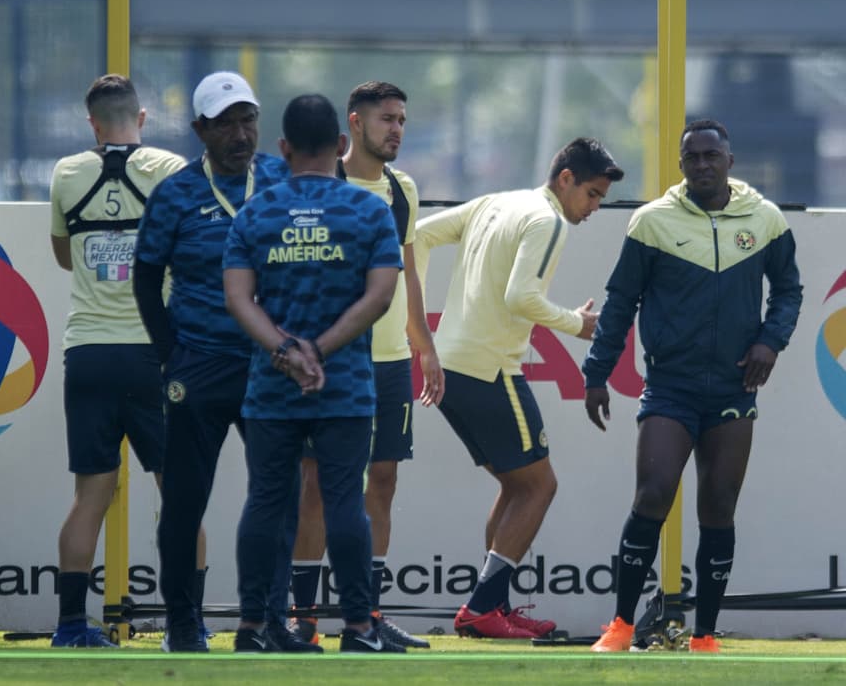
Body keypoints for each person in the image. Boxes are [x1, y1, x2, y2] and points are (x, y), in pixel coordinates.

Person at [584, 119, 801, 654]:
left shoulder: (765, 219)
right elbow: (619, 303)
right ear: (680, 166)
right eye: (692, 158)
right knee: (653, 494)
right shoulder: (651, 222)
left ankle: (704, 635)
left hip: (733, 391)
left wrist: (771, 341)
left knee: (719, 507)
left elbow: (790, 291)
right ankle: (621, 626)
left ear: (730, 160)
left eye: (711, 155)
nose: (702, 164)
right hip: (670, 387)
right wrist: (596, 372)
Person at [413, 137, 625, 639]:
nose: (594, 207)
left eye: (601, 198)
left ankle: (496, 610)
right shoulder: (547, 219)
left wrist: (417, 327)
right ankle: (484, 607)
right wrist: (577, 324)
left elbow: (417, 236)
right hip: (489, 370)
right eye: (592, 194)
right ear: (566, 178)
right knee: (540, 486)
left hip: (450, 367)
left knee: (516, 485)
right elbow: (521, 296)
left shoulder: (496, 202)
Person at [135, 71, 313, 653]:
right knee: (185, 499)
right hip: (202, 365)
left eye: (247, 120)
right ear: (200, 130)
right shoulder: (177, 193)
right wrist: (172, 358)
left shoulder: (285, 178)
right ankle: (183, 624)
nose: (240, 134)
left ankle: (264, 623)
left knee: (279, 497)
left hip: (271, 367)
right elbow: (145, 280)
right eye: (225, 123)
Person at [223, 92, 404, 653]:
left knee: (265, 502)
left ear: (282, 149)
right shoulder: (370, 211)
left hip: (271, 388)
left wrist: (285, 352)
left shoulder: (256, 211)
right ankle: (357, 627)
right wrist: (319, 352)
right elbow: (379, 297)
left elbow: (238, 298)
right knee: (345, 502)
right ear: (343, 146)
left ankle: (253, 627)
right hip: (345, 386)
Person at [287, 82, 443, 650]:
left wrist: (423, 343)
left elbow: (408, 268)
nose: (396, 129)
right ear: (354, 123)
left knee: (383, 482)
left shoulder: (404, 188)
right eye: (386, 119)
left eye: (402, 119)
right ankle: (302, 619)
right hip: (335, 363)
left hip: (390, 364)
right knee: (317, 488)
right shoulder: (324, 185)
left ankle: (368, 617)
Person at [46, 74, 186, 648]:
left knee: (90, 497)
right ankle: (187, 624)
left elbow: (62, 255)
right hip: (154, 353)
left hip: (87, 352)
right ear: (142, 118)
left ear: (92, 124)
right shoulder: (172, 170)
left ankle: (72, 625)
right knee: (179, 493)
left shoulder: (66, 172)